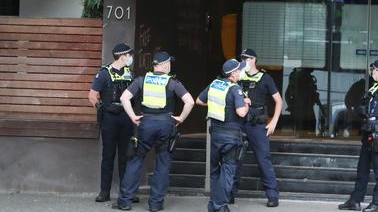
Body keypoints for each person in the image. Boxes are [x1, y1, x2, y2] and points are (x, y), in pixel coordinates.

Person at [112, 51, 194, 212]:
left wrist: (133, 116)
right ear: (164, 65)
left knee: (135, 160)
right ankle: (156, 204)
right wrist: (181, 119)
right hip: (165, 124)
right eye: (169, 63)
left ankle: (125, 202)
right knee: (163, 163)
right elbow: (189, 102)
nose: (170, 65)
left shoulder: (142, 80)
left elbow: (124, 98)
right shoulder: (172, 83)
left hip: (146, 123)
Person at [338, 59, 378, 212]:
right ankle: (355, 200)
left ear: (377, 70)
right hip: (370, 130)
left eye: (372, 70)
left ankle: (377, 203)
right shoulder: (377, 87)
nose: (371, 72)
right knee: (362, 168)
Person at [196, 59, 250, 212]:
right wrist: (246, 103)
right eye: (239, 70)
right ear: (232, 74)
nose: (241, 72)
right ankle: (220, 206)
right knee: (228, 171)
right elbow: (241, 112)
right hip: (231, 136)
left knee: (215, 171)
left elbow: (199, 100)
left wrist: (217, 104)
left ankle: (213, 205)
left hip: (216, 134)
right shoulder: (235, 89)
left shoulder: (214, 84)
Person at [232, 49, 282, 207]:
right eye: (242, 58)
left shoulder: (265, 78)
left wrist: (274, 121)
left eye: (246, 58)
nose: (243, 61)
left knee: (263, 160)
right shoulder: (237, 76)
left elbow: (279, 101)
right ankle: (230, 193)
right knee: (235, 160)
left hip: (257, 125)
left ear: (254, 59)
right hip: (240, 123)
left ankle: (272, 195)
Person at [88, 43, 135, 203]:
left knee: (126, 156)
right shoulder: (104, 73)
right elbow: (92, 95)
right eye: (129, 55)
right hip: (109, 118)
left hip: (126, 118)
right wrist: (99, 107)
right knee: (108, 155)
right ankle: (104, 191)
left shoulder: (130, 74)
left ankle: (126, 192)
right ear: (122, 56)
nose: (131, 58)